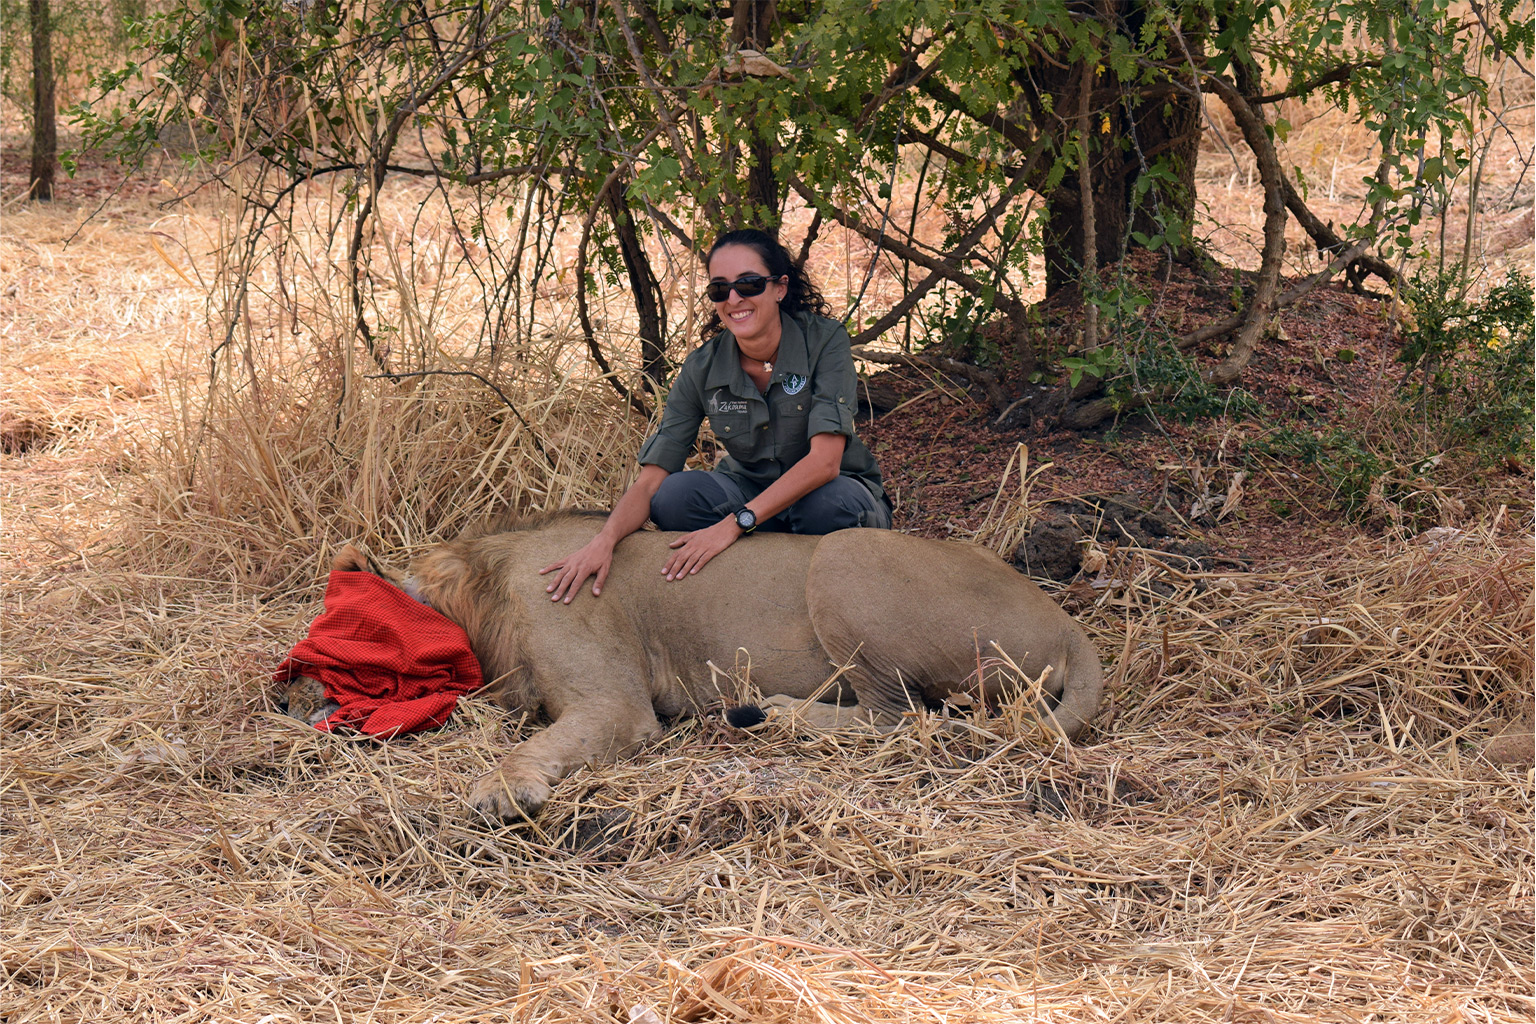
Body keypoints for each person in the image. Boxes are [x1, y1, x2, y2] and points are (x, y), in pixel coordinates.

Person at [541, 228, 891, 603]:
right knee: (673, 496)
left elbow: (825, 463)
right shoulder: (702, 367)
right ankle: (757, 564)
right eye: (720, 290)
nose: (734, 299)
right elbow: (651, 480)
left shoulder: (824, 341)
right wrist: (604, 540)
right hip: (750, 494)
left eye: (750, 284)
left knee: (825, 506)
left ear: (780, 288)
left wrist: (735, 524)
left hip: (831, 494)